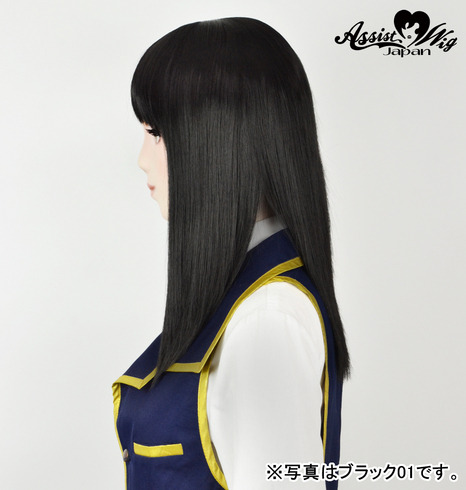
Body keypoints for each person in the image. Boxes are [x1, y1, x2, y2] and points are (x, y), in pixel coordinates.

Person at [112, 17, 350, 490]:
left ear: (219, 137)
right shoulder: (244, 300)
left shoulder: (265, 321)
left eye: (156, 132)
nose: (142, 158)